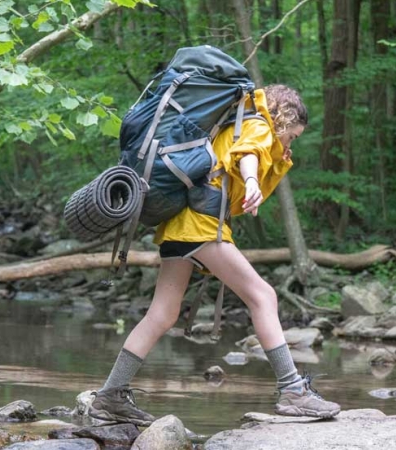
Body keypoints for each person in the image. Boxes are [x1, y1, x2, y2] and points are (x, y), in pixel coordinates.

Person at [88, 84, 341, 425]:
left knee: (163, 313)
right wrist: (251, 182)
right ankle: (292, 390)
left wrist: (271, 165)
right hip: (201, 224)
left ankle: (110, 396)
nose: (291, 143)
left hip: (180, 223)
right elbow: (249, 154)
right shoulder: (260, 124)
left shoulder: (235, 121)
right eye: (292, 136)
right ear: (284, 120)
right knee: (263, 296)